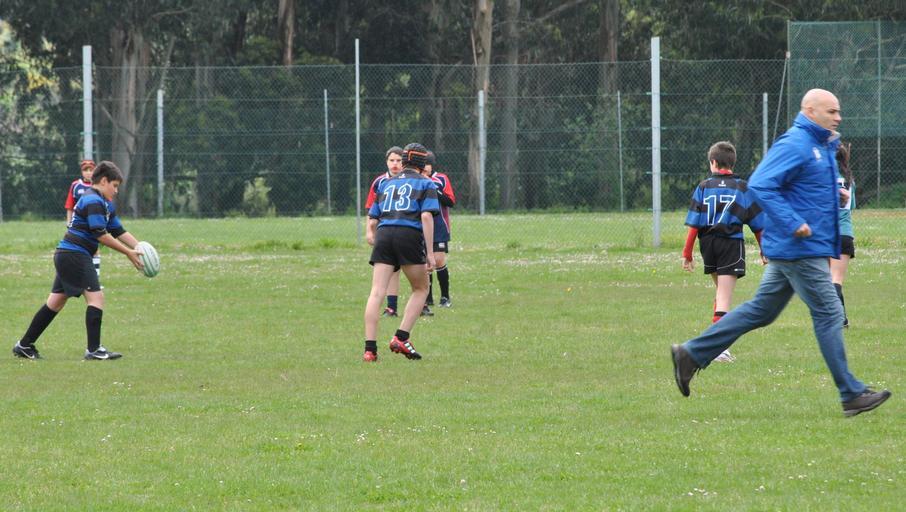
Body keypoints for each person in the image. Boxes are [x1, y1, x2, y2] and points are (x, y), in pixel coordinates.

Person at [671, 89, 891, 417]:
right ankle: (850, 393)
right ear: (810, 111)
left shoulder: (819, 145)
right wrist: (793, 222)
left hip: (800, 246)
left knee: (762, 311)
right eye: (831, 111)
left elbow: (801, 190)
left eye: (838, 111)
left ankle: (690, 355)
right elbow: (760, 185)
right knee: (830, 313)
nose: (838, 117)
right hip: (800, 248)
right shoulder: (796, 143)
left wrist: (835, 199)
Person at [13, 161, 145, 361]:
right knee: (96, 298)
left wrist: (140, 247)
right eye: (115, 185)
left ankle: (24, 345)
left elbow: (118, 230)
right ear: (103, 181)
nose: (116, 191)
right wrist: (128, 253)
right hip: (75, 255)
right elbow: (101, 234)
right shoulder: (92, 200)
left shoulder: (105, 203)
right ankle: (94, 350)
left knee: (55, 302)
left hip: (68, 255)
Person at [682, 141, 765, 362]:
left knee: (720, 294)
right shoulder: (742, 188)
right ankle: (718, 349)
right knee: (724, 298)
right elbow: (758, 225)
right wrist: (764, 249)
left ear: (713, 162)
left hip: (708, 244)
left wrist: (687, 253)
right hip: (730, 244)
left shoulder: (703, 187)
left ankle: (714, 343)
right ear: (732, 163)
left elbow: (694, 224)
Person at [363, 143, 439, 362]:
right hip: (408, 234)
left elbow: (373, 219)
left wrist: (373, 235)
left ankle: (369, 350)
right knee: (421, 288)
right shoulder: (426, 183)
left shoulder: (386, 183)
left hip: (384, 234)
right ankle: (401, 337)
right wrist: (430, 253)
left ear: (404, 160)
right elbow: (426, 216)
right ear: (422, 163)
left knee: (377, 292)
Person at [365, 147, 404, 317]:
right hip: (385, 231)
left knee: (416, 268)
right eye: (392, 160)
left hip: (406, 230)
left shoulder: (410, 180)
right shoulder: (379, 182)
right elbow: (370, 209)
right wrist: (369, 232)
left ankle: (423, 303)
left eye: (399, 160)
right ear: (386, 162)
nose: (395, 164)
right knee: (391, 269)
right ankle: (391, 307)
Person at [422, 150, 456, 314]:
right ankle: (427, 297)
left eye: (427, 165)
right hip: (422, 226)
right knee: (426, 262)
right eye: (422, 165)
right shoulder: (416, 180)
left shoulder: (441, 179)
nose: (424, 168)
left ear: (432, 165)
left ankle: (445, 297)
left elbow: (450, 201)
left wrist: (434, 188)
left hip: (439, 226)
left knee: (439, 260)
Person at [830, 141, 854, 328]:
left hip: (827, 233)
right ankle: (842, 319)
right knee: (836, 279)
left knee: (830, 281)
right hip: (845, 234)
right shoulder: (849, 180)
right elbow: (851, 206)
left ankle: (836, 318)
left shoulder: (825, 178)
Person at [66, 159, 101, 278]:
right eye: (86, 170)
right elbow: (70, 205)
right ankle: (78, 277)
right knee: (77, 250)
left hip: (93, 223)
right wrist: (69, 222)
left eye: (91, 170)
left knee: (94, 249)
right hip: (78, 224)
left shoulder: (98, 186)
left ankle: (95, 278)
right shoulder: (75, 185)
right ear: (82, 172)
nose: (88, 173)